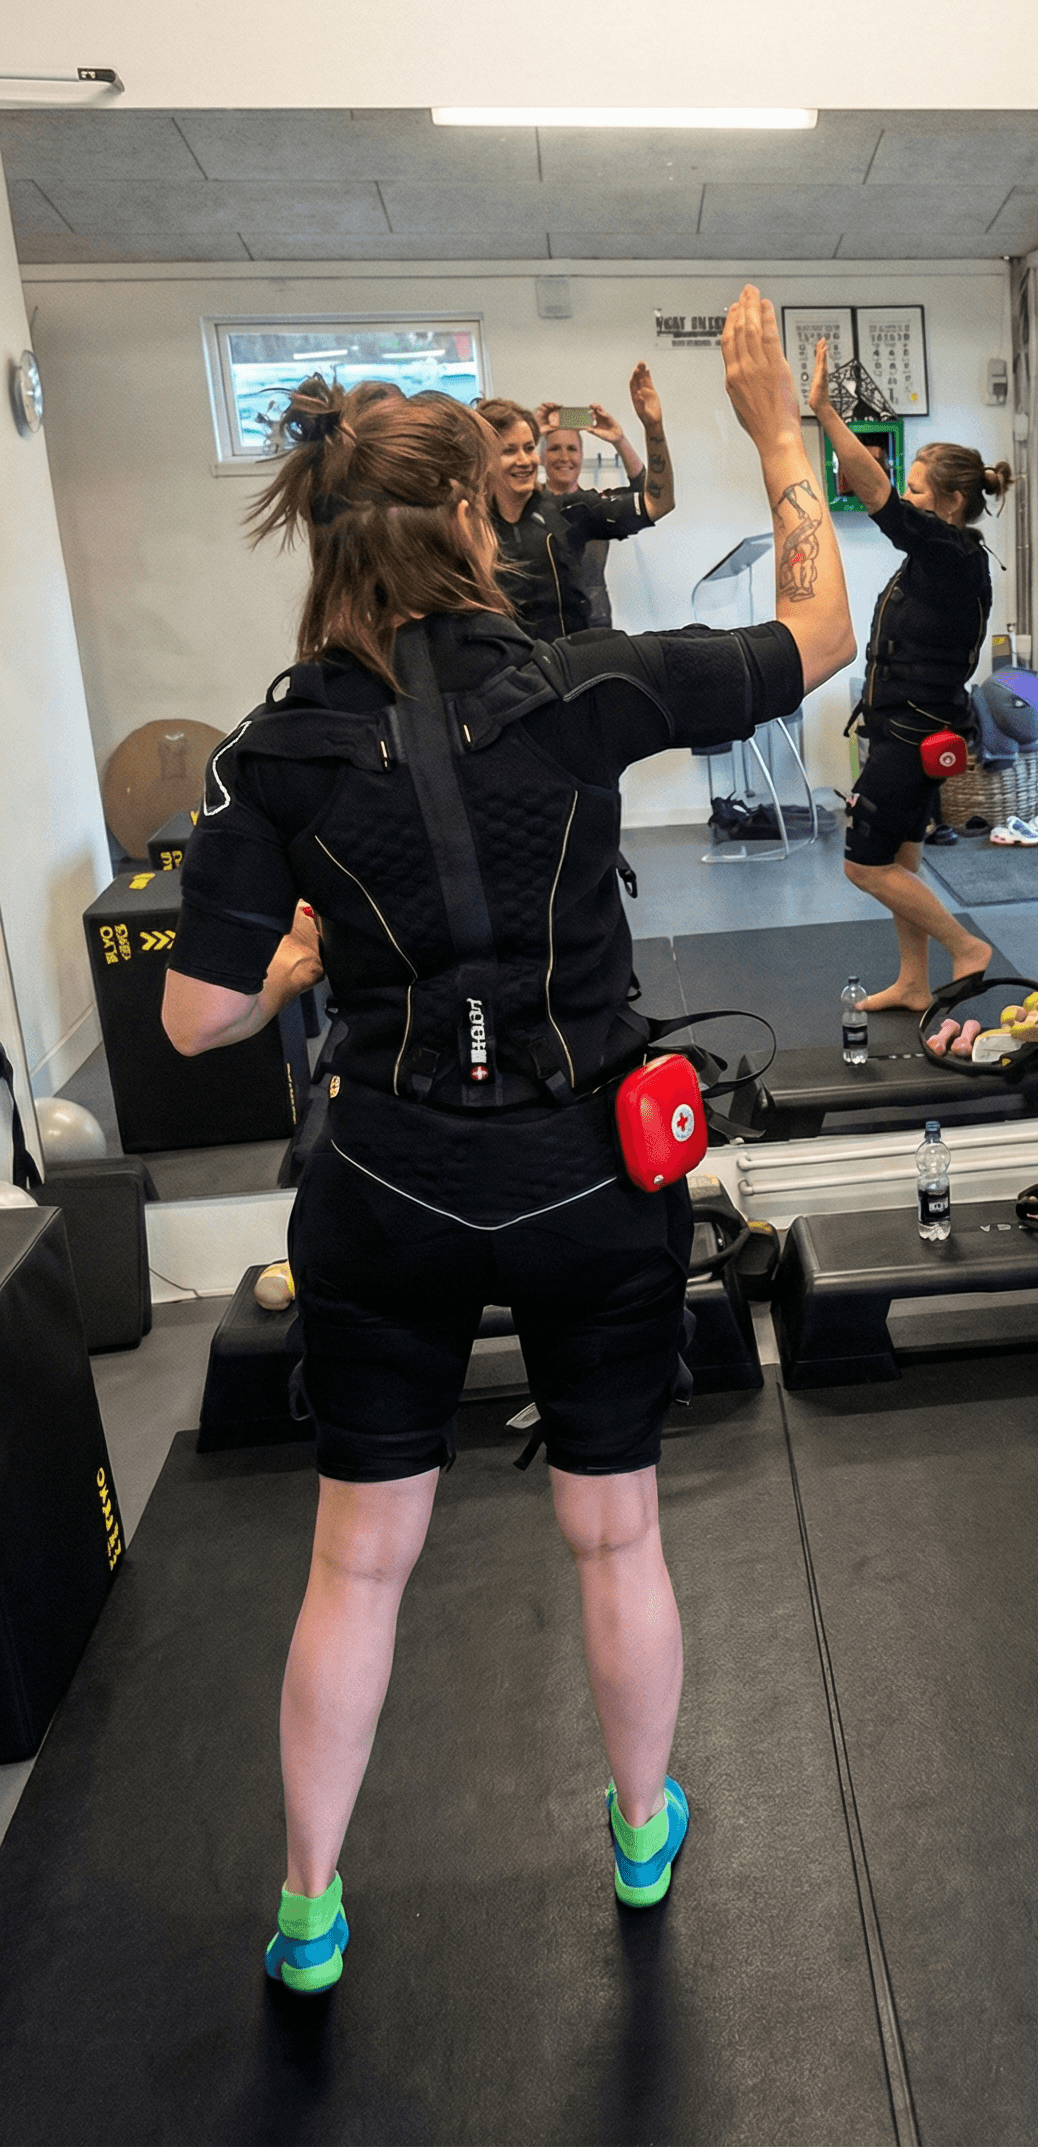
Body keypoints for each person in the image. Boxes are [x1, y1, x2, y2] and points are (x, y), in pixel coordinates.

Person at [161, 288, 853, 1986]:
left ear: (324, 533)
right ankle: (641, 1830)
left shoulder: (272, 752)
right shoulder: (580, 686)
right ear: (478, 515)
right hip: (582, 1177)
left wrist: (302, 958)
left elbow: (193, 1021)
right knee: (615, 1531)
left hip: (386, 1182)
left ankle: (309, 1904)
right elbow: (821, 632)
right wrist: (779, 435)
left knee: (357, 1564)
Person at [809, 338, 1009, 1012]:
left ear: (950, 503)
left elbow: (876, 494)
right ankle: (914, 982)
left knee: (863, 865)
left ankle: (967, 946)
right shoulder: (945, 554)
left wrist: (826, 415)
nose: (907, 498)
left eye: (918, 490)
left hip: (911, 733)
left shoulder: (951, 553)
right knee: (901, 860)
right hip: (912, 725)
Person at [535, 369, 677, 630]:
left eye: (572, 449)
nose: (564, 457)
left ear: (581, 455)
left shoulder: (595, 506)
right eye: (554, 448)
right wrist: (533, 434)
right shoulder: (528, 505)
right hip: (541, 626)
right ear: (541, 457)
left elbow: (649, 494)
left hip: (594, 622)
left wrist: (619, 440)